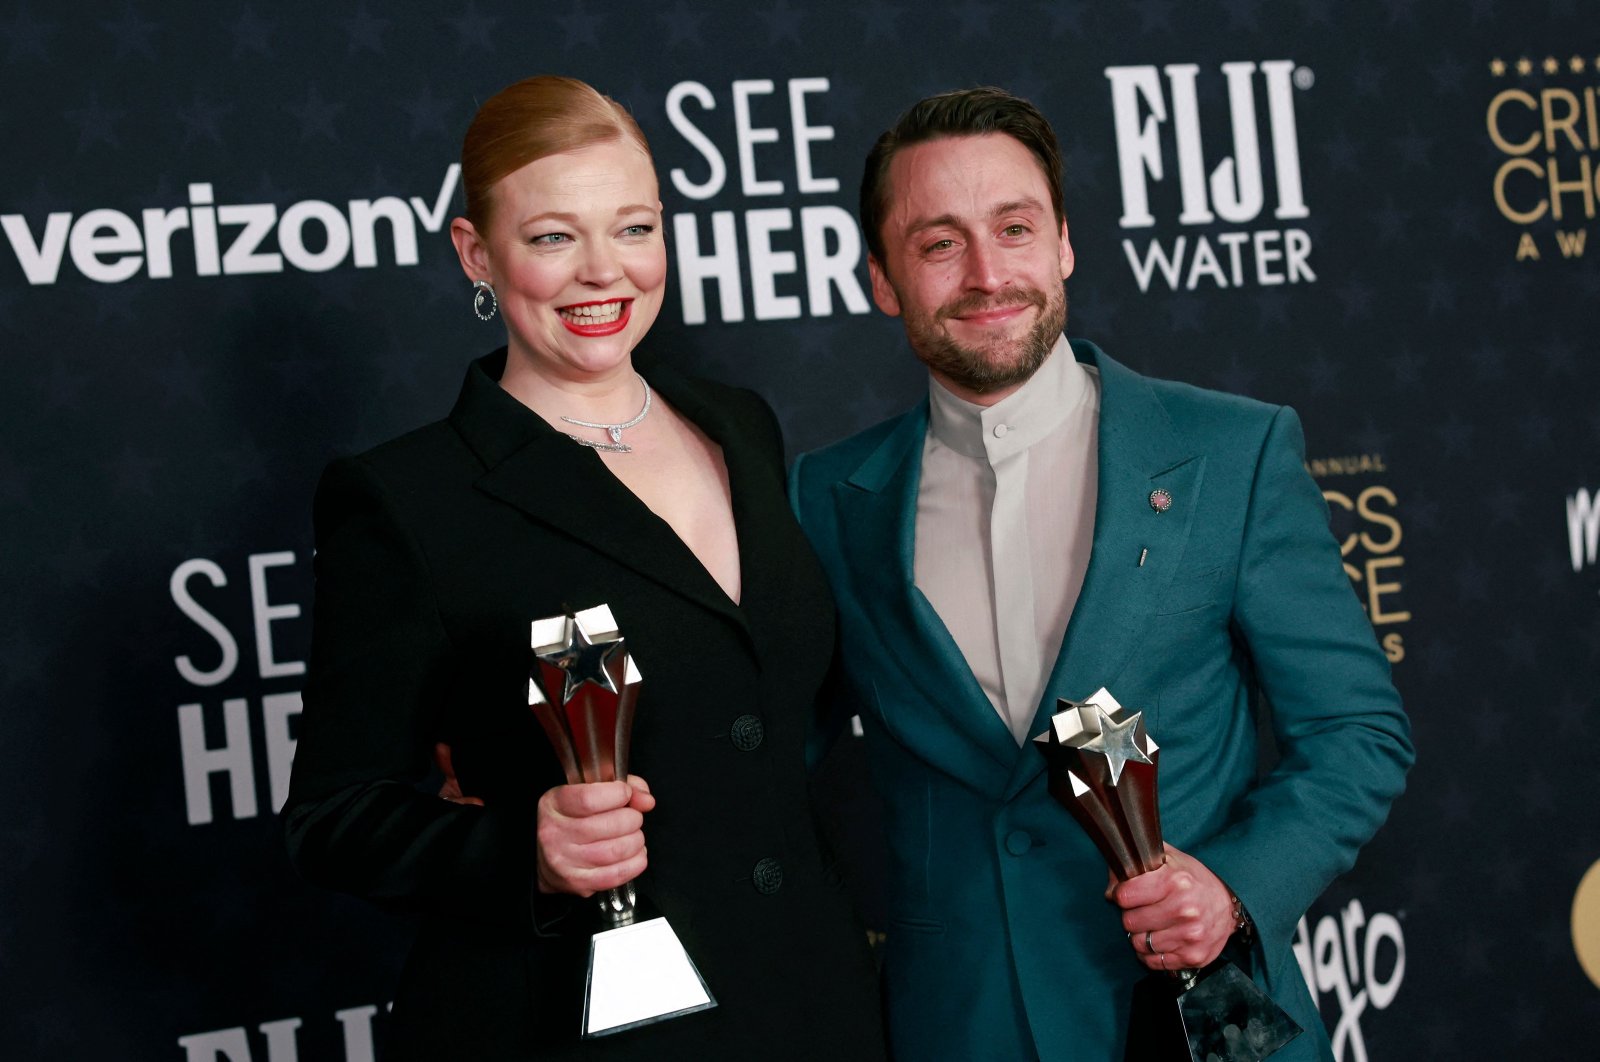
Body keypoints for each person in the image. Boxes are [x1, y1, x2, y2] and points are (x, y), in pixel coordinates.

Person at [789, 87, 1414, 1061]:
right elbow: (766, 745)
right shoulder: (825, 500)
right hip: (957, 1028)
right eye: (939, 242)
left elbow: (1355, 733)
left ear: (1064, 244)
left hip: (1204, 1023)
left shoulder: (1230, 452)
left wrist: (1231, 887)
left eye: (1015, 227)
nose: (989, 273)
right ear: (880, 277)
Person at [284, 76, 883, 1062]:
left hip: (809, 1000)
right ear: (478, 253)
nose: (604, 271)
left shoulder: (740, 425)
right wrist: (524, 851)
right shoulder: (410, 498)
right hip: (571, 1023)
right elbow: (335, 818)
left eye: (634, 227)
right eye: (553, 236)